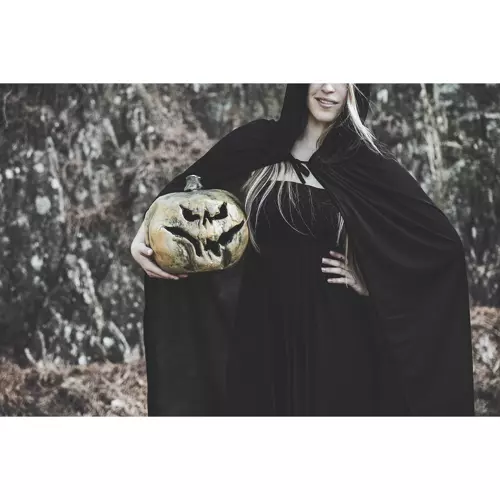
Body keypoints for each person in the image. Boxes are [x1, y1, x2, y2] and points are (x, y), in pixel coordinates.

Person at [131, 84, 475, 416]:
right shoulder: (258, 143)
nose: (328, 88)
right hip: (261, 328)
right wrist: (144, 235)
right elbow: (181, 197)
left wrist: (372, 279)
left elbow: (440, 245)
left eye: (340, 79)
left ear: (354, 89)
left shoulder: (365, 162)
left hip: (334, 333)